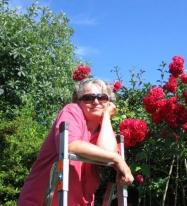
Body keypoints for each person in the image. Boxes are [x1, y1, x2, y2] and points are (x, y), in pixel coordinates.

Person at [18, 78, 134, 206]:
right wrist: (116, 157)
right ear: (78, 102)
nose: (95, 101)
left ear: (109, 103)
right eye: (88, 98)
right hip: (42, 202)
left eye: (102, 97)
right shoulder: (72, 111)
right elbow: (70, 145)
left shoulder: (104, 132)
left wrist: (106, 116)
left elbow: (107, 155)